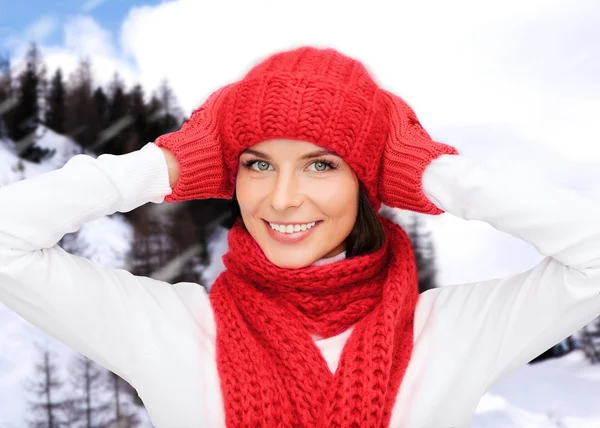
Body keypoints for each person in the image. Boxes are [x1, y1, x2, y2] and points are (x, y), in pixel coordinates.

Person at [0, 46, 598, 428]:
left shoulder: (453, 330)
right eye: (257, 164)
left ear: (369, 178)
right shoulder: (167, 326)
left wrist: (432, 171)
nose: (282, 197)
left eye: (322, 164)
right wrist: (166, 165)